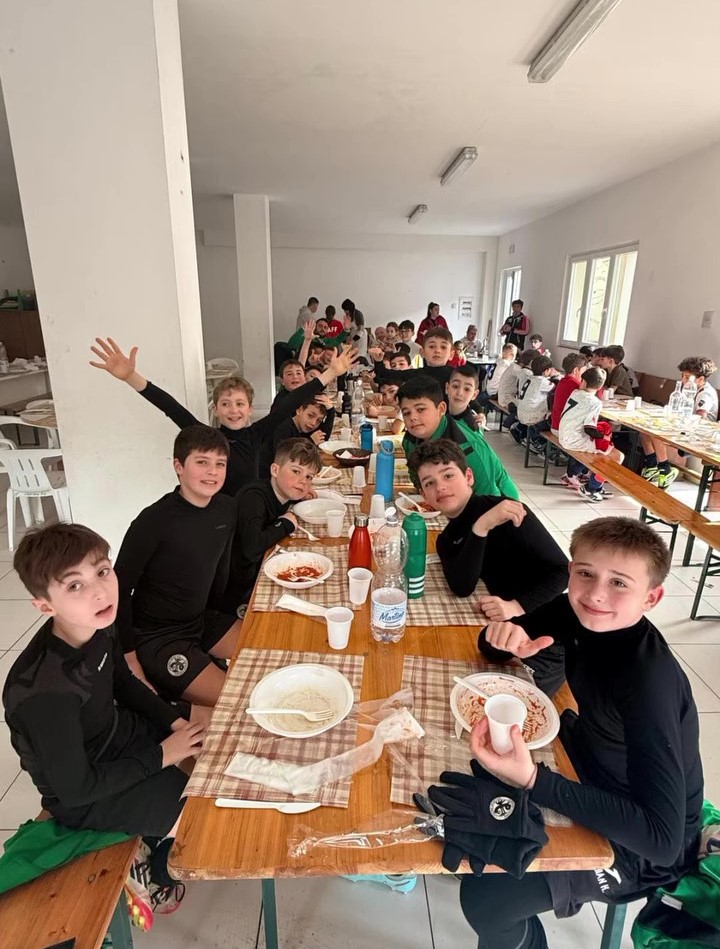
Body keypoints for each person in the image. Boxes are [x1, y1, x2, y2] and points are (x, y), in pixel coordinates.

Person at [460, 517, 702, 949]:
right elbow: (496, 644)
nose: (596, 594)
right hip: (589, 760)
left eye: (619, 583)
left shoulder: (648, 681)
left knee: (487, 898)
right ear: (571, 570)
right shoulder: (575, 612)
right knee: (467, 791)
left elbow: (662, 841)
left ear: (651, 597)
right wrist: (502, 638)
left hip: (640, 844)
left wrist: (533, 780)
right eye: (586, 574)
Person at [3, 523, 201, 910]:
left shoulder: (96, 623)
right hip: (87, 793)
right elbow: (76, 790)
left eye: (102, 571)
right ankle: (159, 869)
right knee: (201, 825)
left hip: (117, 736)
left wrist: (175, 724)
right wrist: (165, 754)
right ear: (45, 606)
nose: (99, 591)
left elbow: (123, 682)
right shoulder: (44, 692)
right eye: (75, 585)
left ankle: (158, 830)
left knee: (220, 735)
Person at [89, 336, 355, 496]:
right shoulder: (208, 438)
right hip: (218, 518)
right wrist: (131, 377)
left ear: (250, 409)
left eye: (240, 404)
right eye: (225, 404)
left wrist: (331, 373)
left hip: (250, 512)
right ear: (216, 409)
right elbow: (171, 407)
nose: (233, 410)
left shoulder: (256, 434)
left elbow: (291, 403)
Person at [114, 425, 242, 707]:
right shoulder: (152, 521)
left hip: (201, 620)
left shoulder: (226, 508)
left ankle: (198, 675)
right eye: (202, 462)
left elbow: (219, 571)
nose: (212, 472)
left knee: (269, 648)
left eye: (220, 464)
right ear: (178, 466)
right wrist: (130, 659)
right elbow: (118, 589)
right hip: (159, 636)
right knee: (239, 701)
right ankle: (177, 697)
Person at [409, 440, 568, 626]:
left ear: (468, 477)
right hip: (502, 620)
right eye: (429, 483)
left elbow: (564, 571)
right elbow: (462, 588)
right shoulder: (446, 539)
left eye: (448, 475)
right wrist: (480, 528)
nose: (440, 487)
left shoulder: (507, 511)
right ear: (424, 495)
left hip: (542, 613)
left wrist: (517, 606)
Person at [230, 439, 320, 608]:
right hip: (241, 588)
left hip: (259, 570)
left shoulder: (280, 491)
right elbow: (251, 548)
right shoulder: (253, 498)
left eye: (309, 477)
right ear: (275, 470)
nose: (303, 481)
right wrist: (284, 525)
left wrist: (298, 496)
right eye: (296, 471)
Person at [399, 376, 519, 499]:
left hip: (500, 501)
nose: (412, 417)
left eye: (420, 409)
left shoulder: (467, 446)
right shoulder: (410, 440)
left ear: (441, 409)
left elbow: (490, 499)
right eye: (406, 413)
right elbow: (416, 476)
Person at [639, 355, 718, 488]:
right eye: (682, 376)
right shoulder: (688, 388)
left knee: (656, 433)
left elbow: (700, 417)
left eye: (687, 377)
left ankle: (665, 469)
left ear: (700, 379)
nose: (683, 380)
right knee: (644, 429)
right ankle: (651, 465)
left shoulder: (705, 394)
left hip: (700, 435)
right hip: (686, 428)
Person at [558, 367, 621, 501]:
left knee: (600, 447)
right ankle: (592, 487)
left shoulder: (575, 392)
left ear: (583, 382)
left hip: (564, 435)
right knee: (616, 456)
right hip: (574, 440)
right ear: (601, 387)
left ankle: (574, 475)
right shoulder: (595, 402)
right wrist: (604, 437)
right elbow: (589, 429)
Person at [258, 395, 333, 475]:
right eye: (310, 416)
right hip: (266, 475)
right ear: (299, 410)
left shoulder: (304, 425)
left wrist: (331, 411)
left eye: (318, 420)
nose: (313, 423)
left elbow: (322, 438)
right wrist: (310, 441)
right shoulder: (283, 427)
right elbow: (287, 458)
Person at [515, 355, 556, 455]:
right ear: (547, 370)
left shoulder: (530, 378)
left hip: (520, 412)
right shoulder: (542, 381)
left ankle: (525, 433)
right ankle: (537, 441)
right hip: (531, 417)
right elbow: (554, 387)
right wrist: (555, 375)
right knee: (552, 418)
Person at [480, 343, 518, 409]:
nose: (513, 357)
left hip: (489, 389)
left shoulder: (498, 361)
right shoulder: (506, 364)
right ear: (504, 353)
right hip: (495, 393)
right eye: (511, 354)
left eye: (514, 355)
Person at [446, 364, 482, 430]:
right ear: (447, 388)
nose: (459, 393)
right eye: (455, 386)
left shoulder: (472, 429)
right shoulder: (437, 418)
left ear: (474, 395)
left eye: (467, 389)